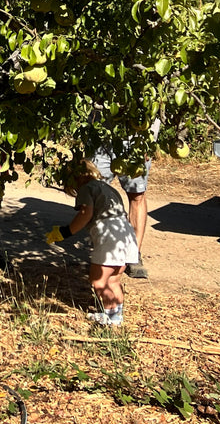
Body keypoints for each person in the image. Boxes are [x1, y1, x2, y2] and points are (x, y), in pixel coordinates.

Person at [46, 158, 139, 326]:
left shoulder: (87, 189)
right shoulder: (107, 188)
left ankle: (110, 317)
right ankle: (116, 316)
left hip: (109, 237)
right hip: (125, 234)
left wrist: (64, 232)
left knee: (98, 280)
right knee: (113, 280)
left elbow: (85, 214)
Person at [90, 118, 160, 279]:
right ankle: (101, 249)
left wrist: (148, 142)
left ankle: (133, 254)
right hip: (103, 137)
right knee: (94, 191)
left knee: (137, 194)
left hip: (136, 140)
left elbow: (153, 107)